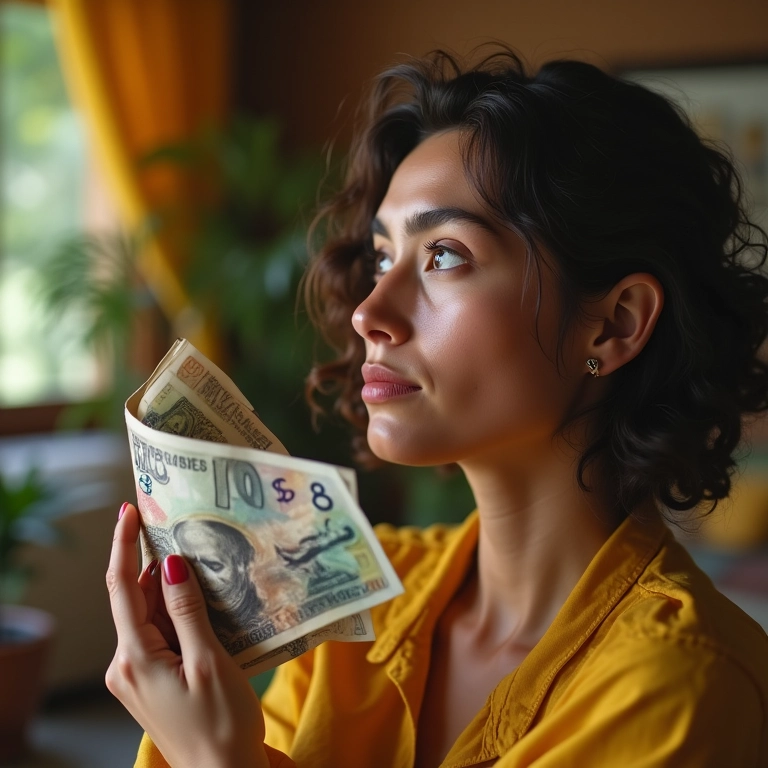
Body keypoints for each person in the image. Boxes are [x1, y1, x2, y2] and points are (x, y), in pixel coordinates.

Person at [106, 48, 768, 767]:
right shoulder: (366, 595)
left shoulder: (679, 680)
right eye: (385, 257)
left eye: (445, 254)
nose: (368, 312)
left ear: (614, 324)